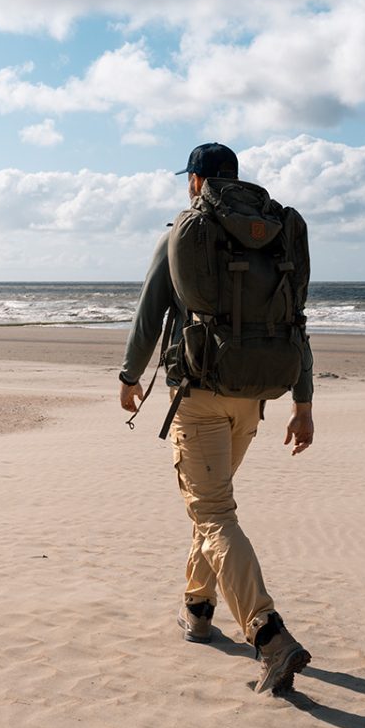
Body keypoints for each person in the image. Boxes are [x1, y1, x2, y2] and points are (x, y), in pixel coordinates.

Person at [118, 142, 315, 695]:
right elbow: (296, 322)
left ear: (196, 180)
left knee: (213, 515)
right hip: (255, 397)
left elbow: (149, 314)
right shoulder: (275, 233)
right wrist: (303, 404)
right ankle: (198, 609)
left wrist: (129, 376)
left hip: (199, 395)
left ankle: (268, 635)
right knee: (211, 510)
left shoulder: (183, 235)